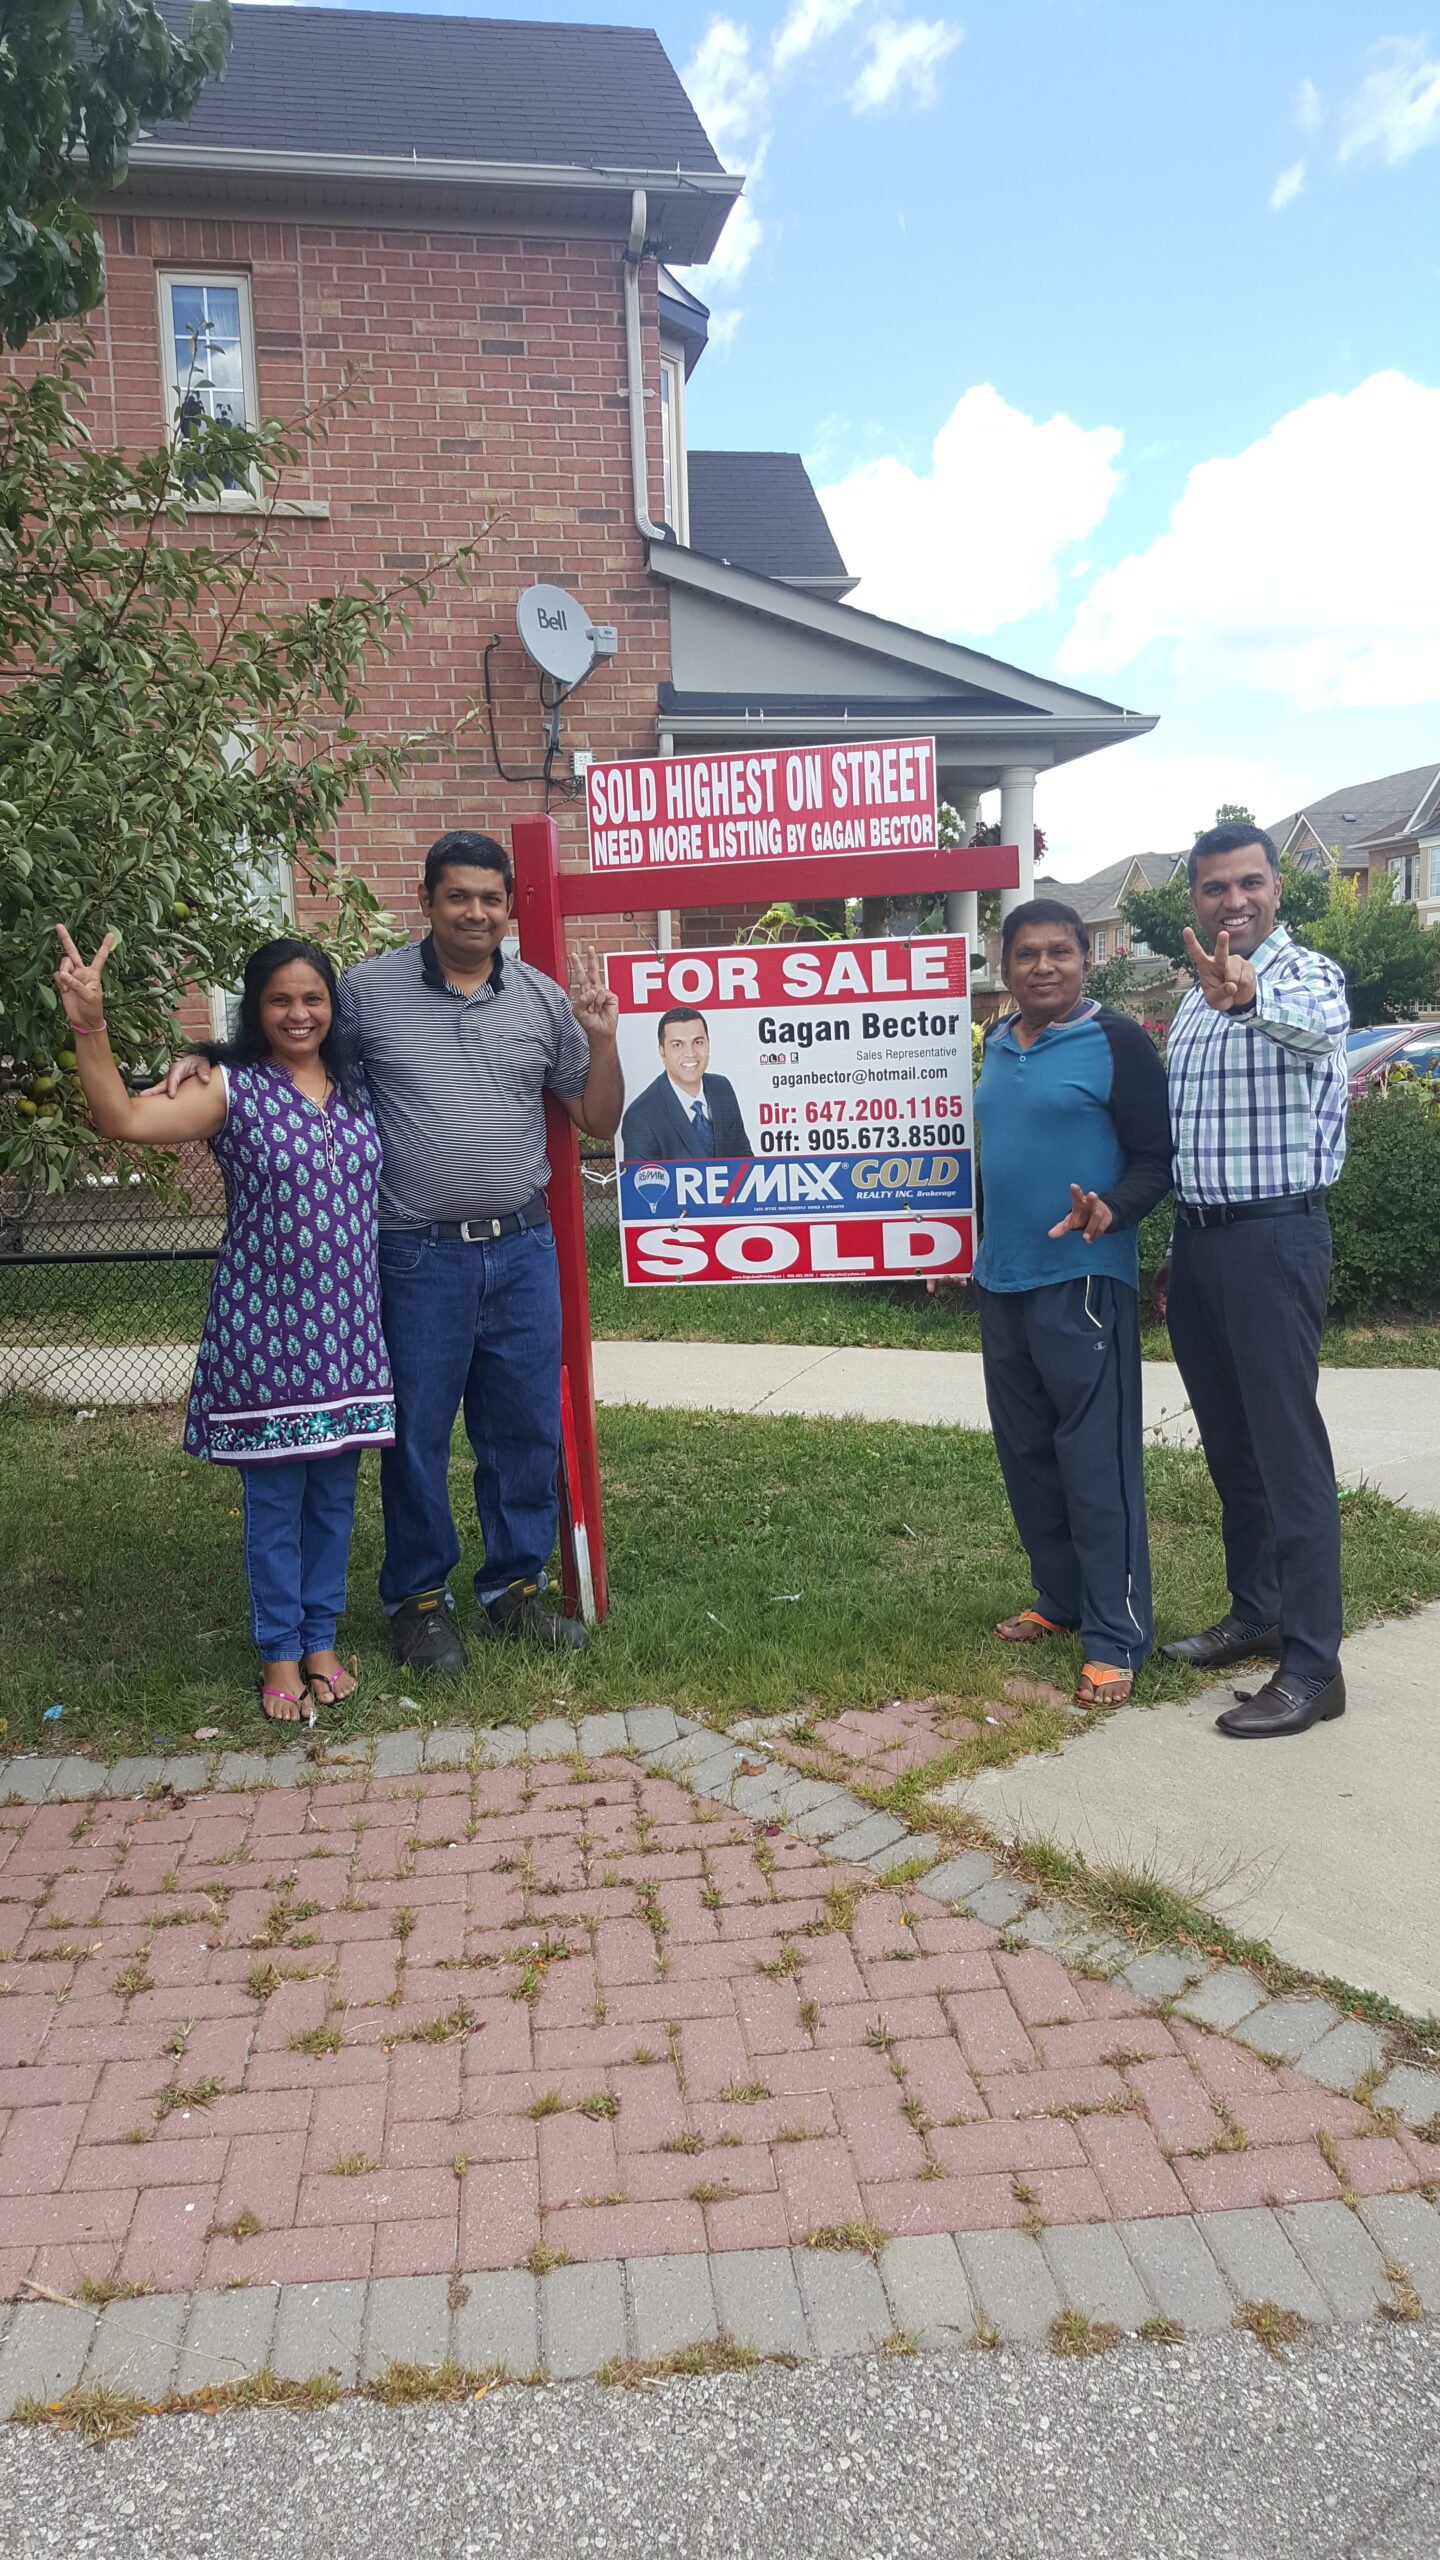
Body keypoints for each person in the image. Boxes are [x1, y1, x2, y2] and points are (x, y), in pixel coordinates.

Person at [172, 830, 622, 1674]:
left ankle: (513, 1590)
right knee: (415, 1436)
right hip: (417, 1256)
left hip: (523, 1249)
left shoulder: (542, 998)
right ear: (427, 901)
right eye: (458, 896)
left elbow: (597, 1118)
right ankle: (418, 1604)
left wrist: (601, 1040)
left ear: (508, 906)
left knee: (523, 1430)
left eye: (491, 898)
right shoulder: (369, 992)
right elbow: (292, 1043)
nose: (476, 912)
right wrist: (206, 1058)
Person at [54, 927, 393, 1724]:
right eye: (280, 1000)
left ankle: (321, 1642)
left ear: (333, 1005)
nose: (299, 1013)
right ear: (255, 1008)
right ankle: (279, 1652)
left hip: (349, 1334)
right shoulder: (230, 1090)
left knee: (333, 1504)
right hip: (266, 1333)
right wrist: (89, 1023)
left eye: (313, 998)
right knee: (275, 1507)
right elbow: (119, 1119)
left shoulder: (360, 1089)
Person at [1157, 822, 1350, 1739]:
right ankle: (1258, 1611)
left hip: (1275, 1240)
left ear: (1277, 888)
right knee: (1233, 1449)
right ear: (1195, 899)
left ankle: (1313, 1666)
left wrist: (1247, 995)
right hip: (1201, 1245)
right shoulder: (1190, 999)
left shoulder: (1306, 975)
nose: (1232, 901)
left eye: (1248, 883)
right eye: (1214, 887)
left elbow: (1315, 1031)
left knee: (1287, 1453)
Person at [971, 900, 1172, 1708]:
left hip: (1084, 1284)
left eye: (1059, 951)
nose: (1043, 966)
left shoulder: (1117, 1041)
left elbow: (1156, 1159)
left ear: (1086, 960)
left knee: (1096, 1463)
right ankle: (1060, 1597)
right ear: (1005, 966)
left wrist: (1111, 1210)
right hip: (1002, 1281)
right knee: (1027, 1456)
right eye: (1026, 954)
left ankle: (1115, 1636)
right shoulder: (995, 1043)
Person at [619, 1006, 753, 1160]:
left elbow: (745, 1159)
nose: (690, 1053)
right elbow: (643, 1176)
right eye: (677, 1044)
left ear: (708, 1044)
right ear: (662, 1050)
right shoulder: (641, 1117)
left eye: (698, 1042)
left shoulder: (722, 1088)